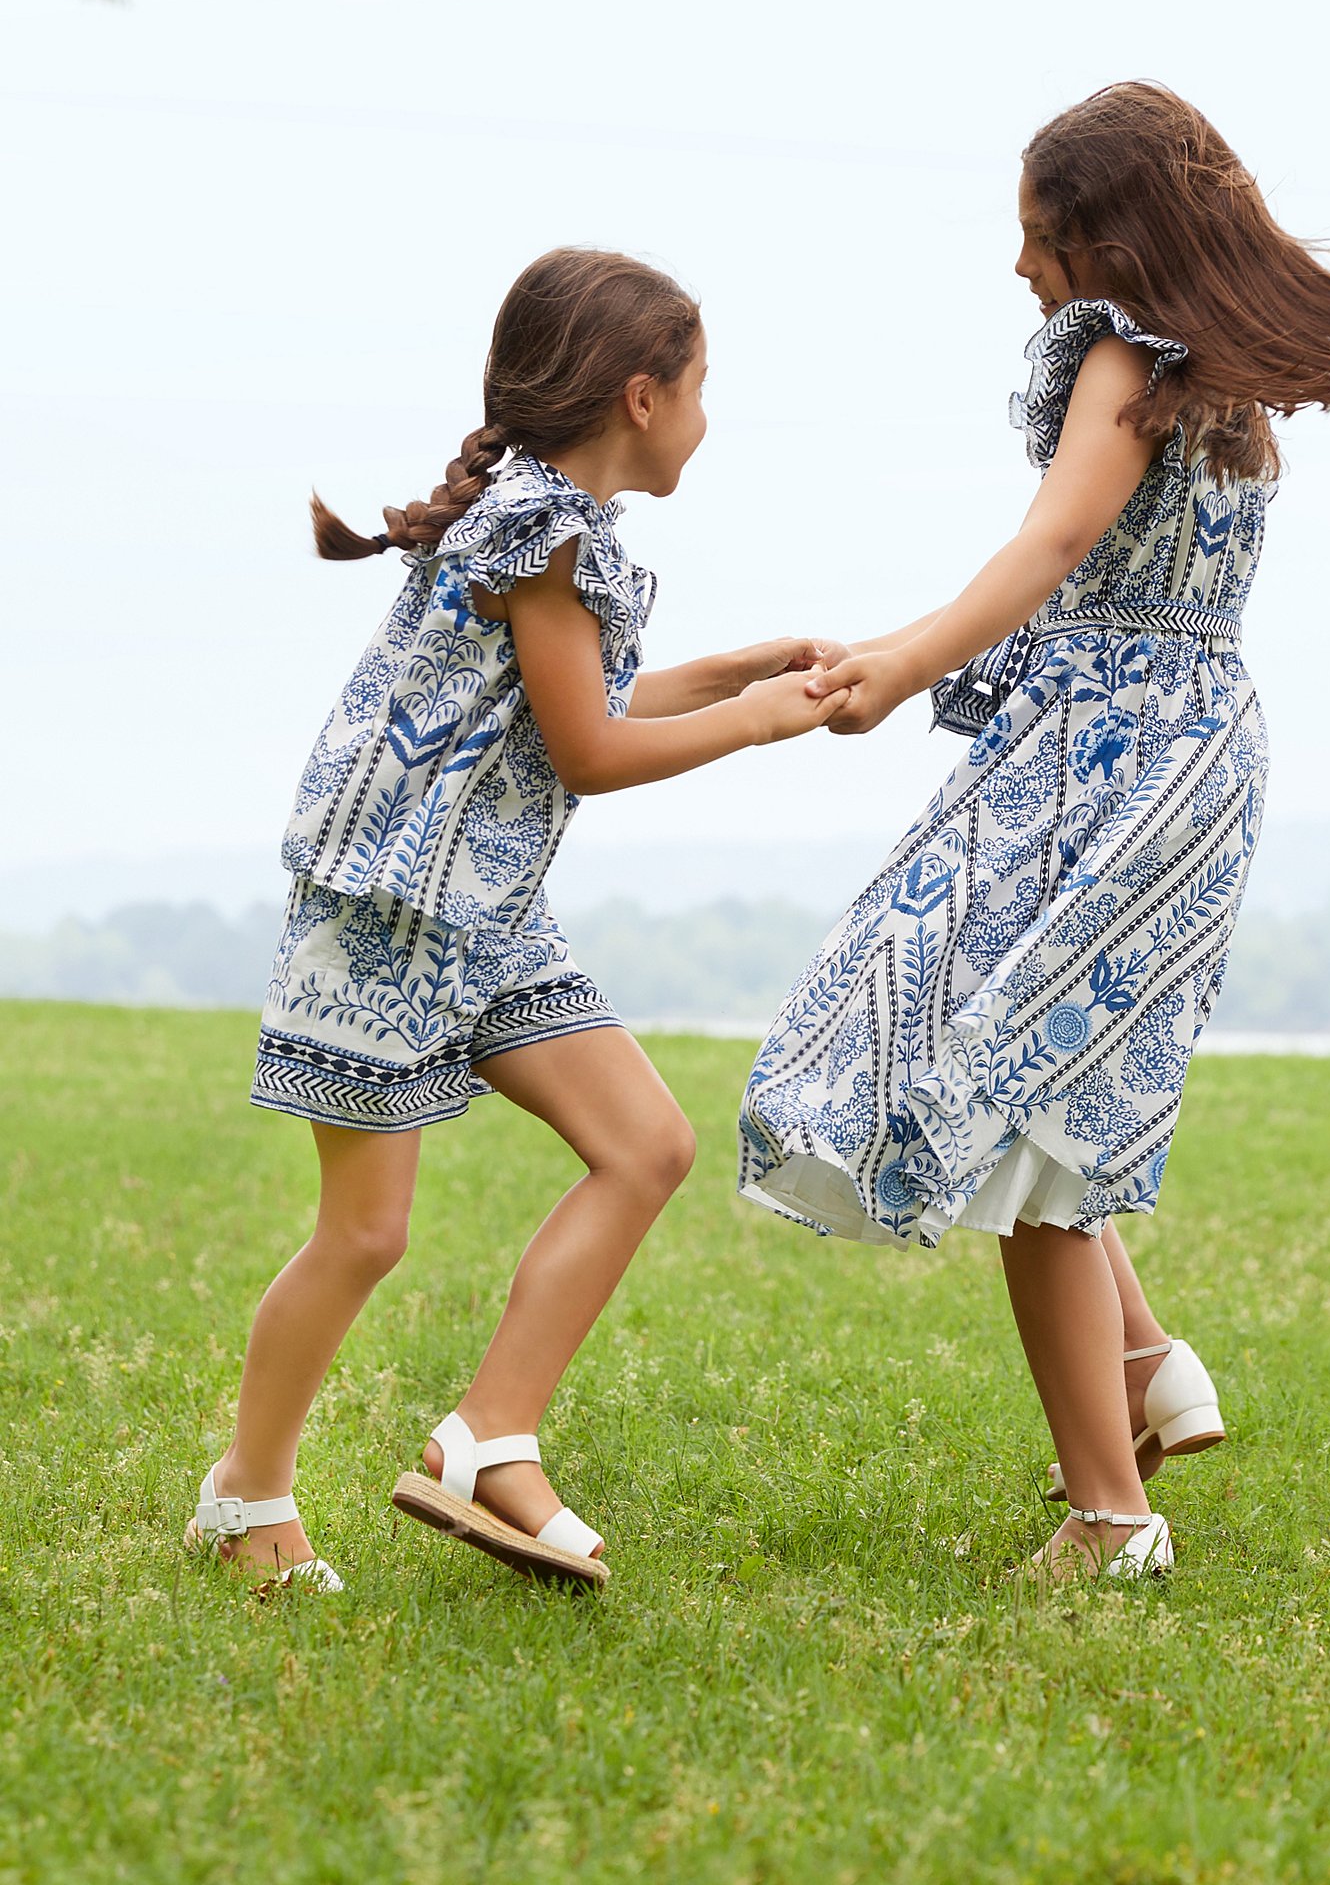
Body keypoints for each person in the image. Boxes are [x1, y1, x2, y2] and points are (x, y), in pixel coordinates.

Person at [739, 82, 1330, 1579]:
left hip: (1104, 757)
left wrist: (897, 664)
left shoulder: (1127, 360)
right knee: (1037, 1073)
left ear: (1108, 238)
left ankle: (1113, 1518)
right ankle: (1149, 1369)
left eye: (1038, 238)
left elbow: (1054, 542)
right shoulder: (1227, 380)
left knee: (1024, 1117)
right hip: (1184, 748)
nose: (1019, 270)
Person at [188, 248, 848, 1593]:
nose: (711, 419)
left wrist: (743, 668)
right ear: (643, 395)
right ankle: (243, 1498)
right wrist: (760, 725)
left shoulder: (557, 529)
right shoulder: (536, 531)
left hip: (488, 916)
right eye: (705, 388)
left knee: (647, 1143)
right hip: (387, 915)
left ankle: (489, 1436)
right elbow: (591, 749)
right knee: (366, 1234)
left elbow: (592, 702)